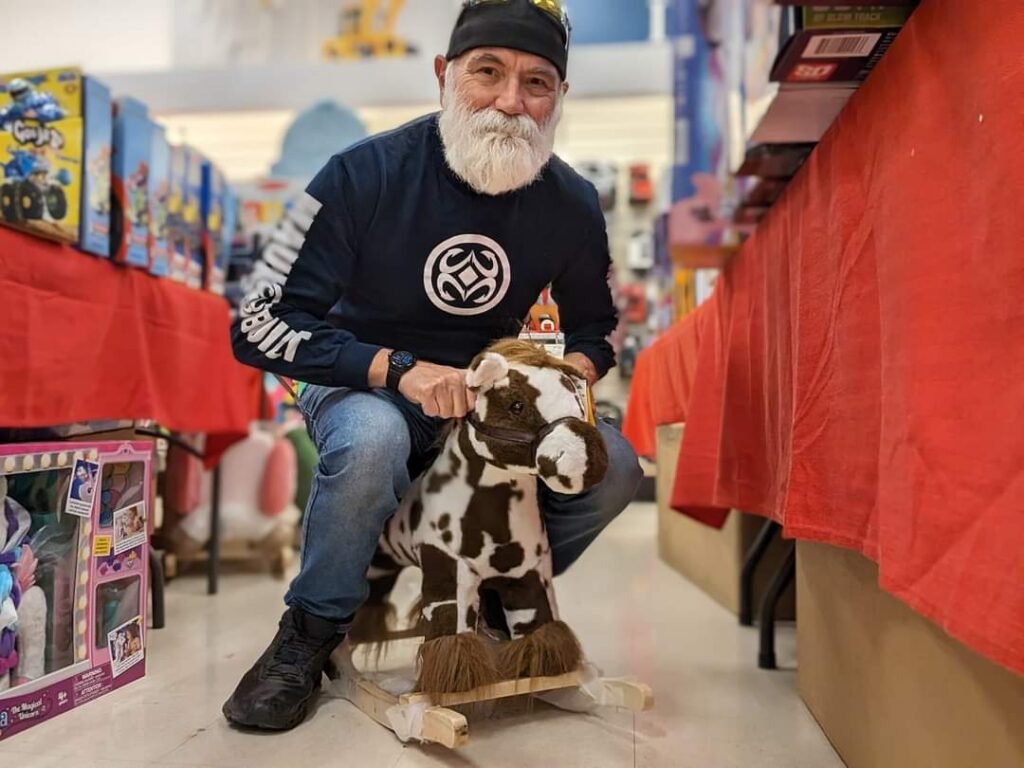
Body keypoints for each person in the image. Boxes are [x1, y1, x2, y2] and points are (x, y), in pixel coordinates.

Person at [224, 0, 643, 732]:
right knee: (373, 443)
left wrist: (564, 383)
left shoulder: (573, 204)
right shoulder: (359, 176)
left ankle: (494, 603)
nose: (511, 102)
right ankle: (311, 633)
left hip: (490, 405)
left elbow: (596, 326)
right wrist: (395, 368)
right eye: (489, 72)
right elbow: (257, 322)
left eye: (537, 83)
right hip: (361, 379)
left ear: (559, 98)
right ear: (445, 73)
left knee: (621, 466)